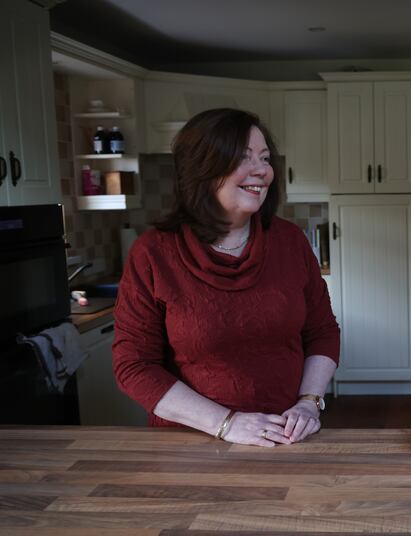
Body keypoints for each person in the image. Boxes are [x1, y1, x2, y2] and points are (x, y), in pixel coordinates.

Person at [112, 108, 339, 446]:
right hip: (190, 444)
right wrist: (226, 424)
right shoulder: (153, 253)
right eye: (244, 158)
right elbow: (134, 366)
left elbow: (322, 331)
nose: (262, 170)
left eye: (265, 158)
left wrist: (309, 404)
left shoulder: (289, 241)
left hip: (285, 439)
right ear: (203, 169)